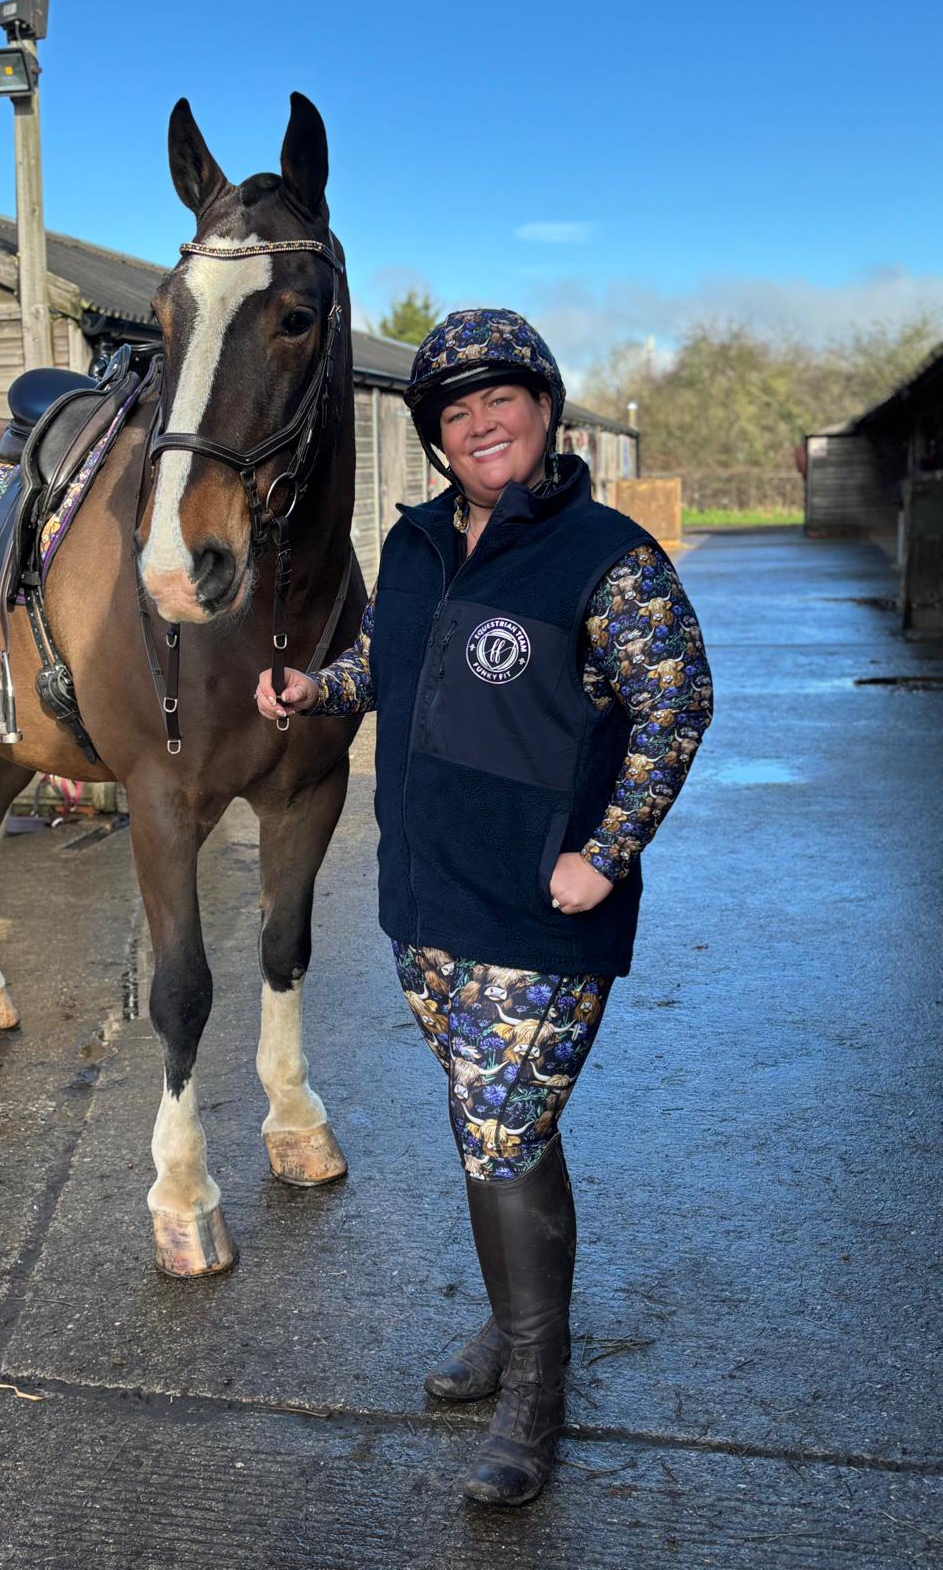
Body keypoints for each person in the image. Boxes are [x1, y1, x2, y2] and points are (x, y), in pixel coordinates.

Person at [255, 308, 713, 1507]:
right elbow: (385, 664)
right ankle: (514, 1332)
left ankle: (534, 1392)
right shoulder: (412, 546)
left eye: (498, 398)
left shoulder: (609, 558)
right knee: (491, 1127)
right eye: (453, 411)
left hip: (537, 913)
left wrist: (604, 856)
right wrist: (316, 687)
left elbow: (678, 708)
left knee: (503, 1136)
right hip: (426, 899)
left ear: (545, 408)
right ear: (434, 439)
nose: (478, 422)